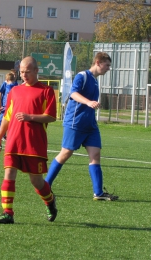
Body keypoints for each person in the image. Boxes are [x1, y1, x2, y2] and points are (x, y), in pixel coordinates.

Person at [45, 52, 119, 201]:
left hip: (90, 125)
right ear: (98, 62)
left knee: (95, 155)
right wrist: (88, 102)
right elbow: (73, 93)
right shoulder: (82, 76)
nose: (108, 68)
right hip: (76, 122)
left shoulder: (95, 80)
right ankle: (45, 186)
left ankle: (98, 193)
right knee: (65, 153)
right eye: (107, 65)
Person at [0, 56, 57, 224]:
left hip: (34, 143)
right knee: (9, 173)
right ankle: (8, 213)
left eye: (27, 72)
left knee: (36, 181)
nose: (24, 75)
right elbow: (7, 117)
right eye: (21, 72)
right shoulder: (15, 91)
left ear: (36, 71)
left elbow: (50, 117)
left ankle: (50, 202)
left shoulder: (46, 91)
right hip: (13, 140)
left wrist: (29, 117)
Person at [0, 71, 18, 141]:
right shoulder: (5, 84)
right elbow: (1, 93)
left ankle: (0, 137)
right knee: (4, 122)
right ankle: (3, 136)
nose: (14, 76)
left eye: (14, 75)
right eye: (13, 75)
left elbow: (9, 95)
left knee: (2, 123)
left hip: (8, 107)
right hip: (6, 106)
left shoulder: (12, 85)